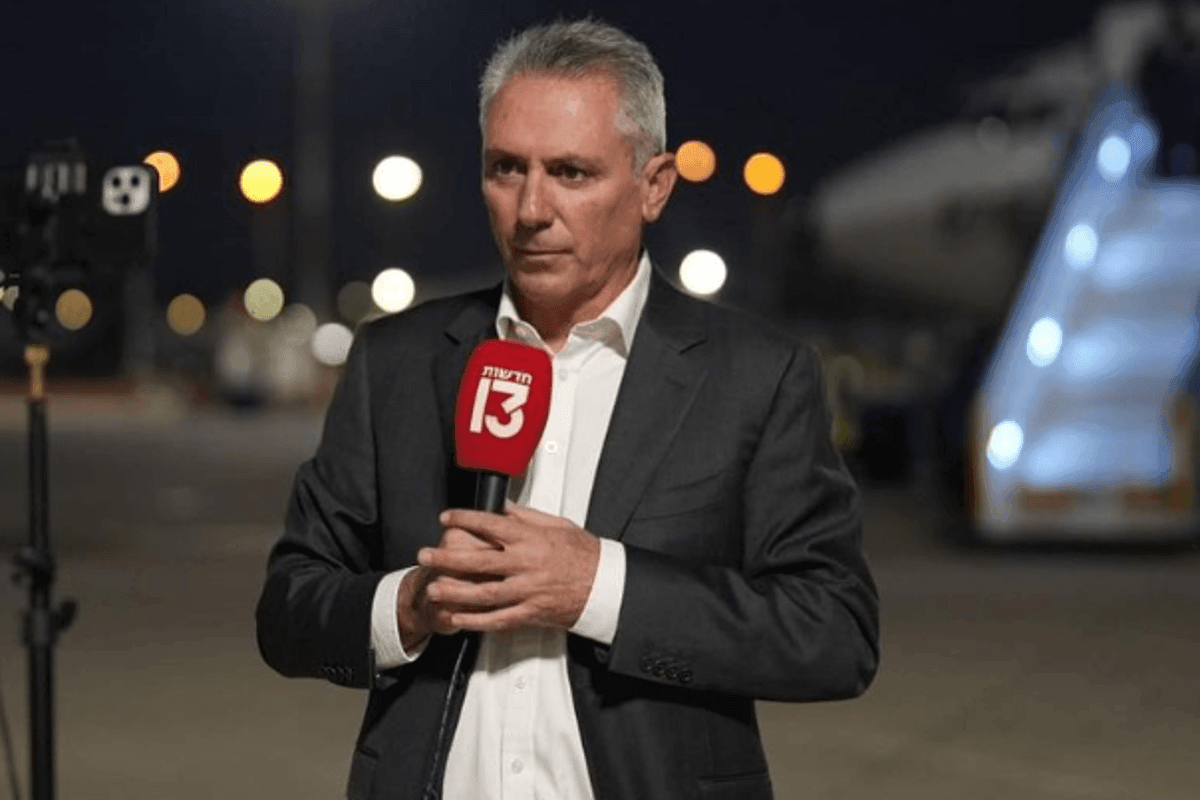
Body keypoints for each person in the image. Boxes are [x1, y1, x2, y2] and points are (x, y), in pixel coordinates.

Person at [255, 18, 878, 800]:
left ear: (653, 186)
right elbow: (288, 610)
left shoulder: (757, 375)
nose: (530, 209)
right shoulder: (395, 362)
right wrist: (407, 605)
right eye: (506, 168)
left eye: (571, 173)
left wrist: (599, 588)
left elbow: (834, 633)